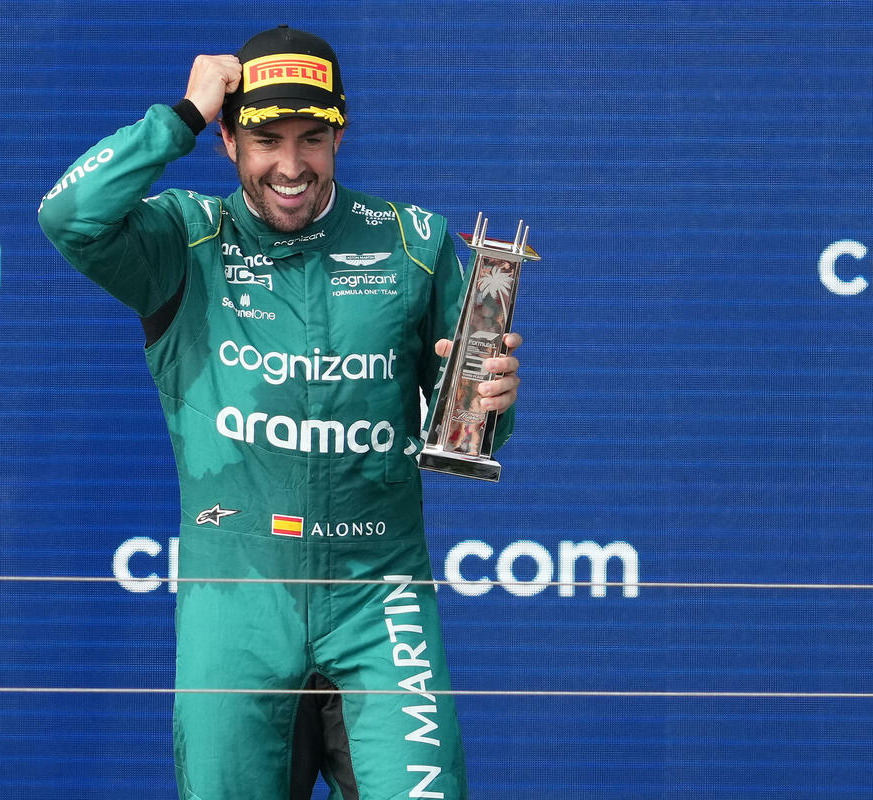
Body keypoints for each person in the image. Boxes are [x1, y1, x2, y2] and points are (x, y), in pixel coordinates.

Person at [39, 24, 521, 800]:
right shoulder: (184, 240)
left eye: (312, 140)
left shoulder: (415, 244)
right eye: (266, 140)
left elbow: (462, 425)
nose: (291, 166)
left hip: (381, 600)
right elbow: (70, 216)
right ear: (229, 141)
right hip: (236, 606)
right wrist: (182, 116)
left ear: (340, 136)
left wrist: (492, 403)